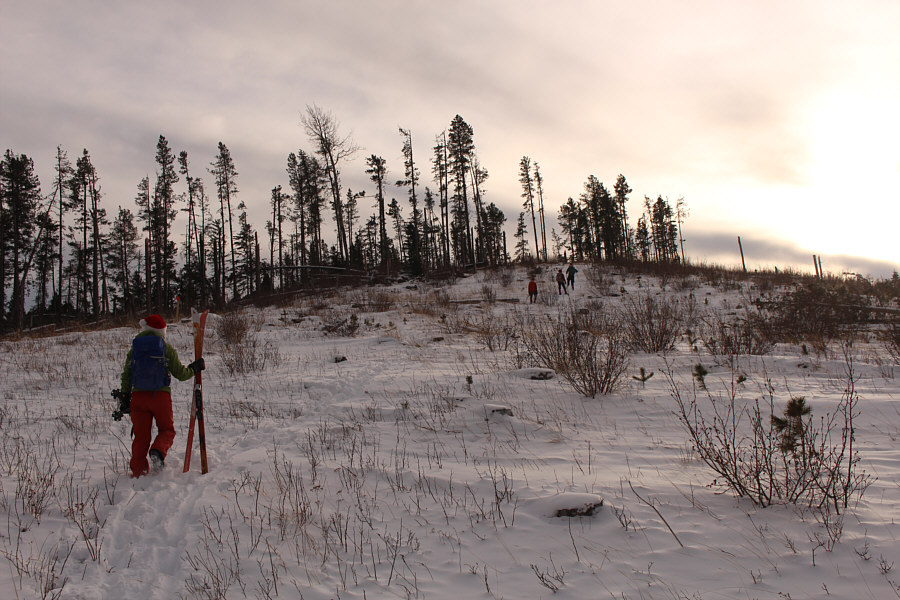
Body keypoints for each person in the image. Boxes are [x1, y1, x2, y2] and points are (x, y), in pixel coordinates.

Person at [119, 314, 204, 477]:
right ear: (162, 332)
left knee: (141, 437)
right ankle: (158, 451)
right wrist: (194, 368)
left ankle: (138, 472)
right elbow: (181, 374)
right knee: (166, 430)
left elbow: (126, 374)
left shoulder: (134, 349)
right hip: (160, 397)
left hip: (138, 398)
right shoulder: (165, 348)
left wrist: (124, 395)